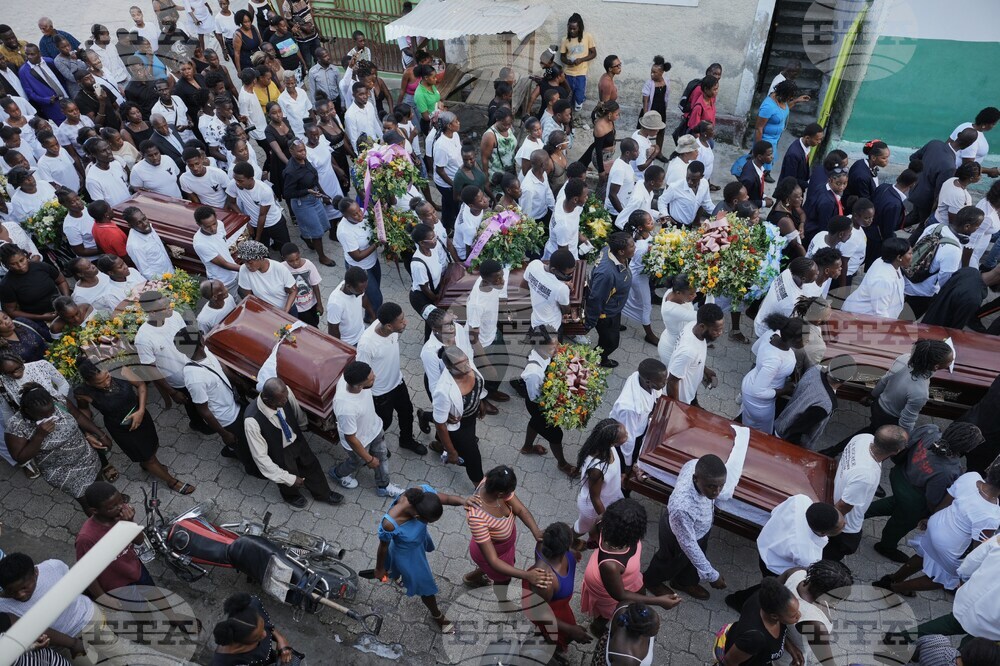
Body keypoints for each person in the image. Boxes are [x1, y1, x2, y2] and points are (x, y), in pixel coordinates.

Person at [867, 421, 984, 564]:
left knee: (895, 504)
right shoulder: (950, 470)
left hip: (899, 476)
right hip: (913, 498)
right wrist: (931, 516)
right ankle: (886, 546)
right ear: (968, 449)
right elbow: (932, 498)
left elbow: (907, 444)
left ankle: (860, 511)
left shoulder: (930, 430)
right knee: (900, 523)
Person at [876, 465, 1000, 595]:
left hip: (937, 524)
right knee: (948, 580)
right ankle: (897, 588)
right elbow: (977, 550)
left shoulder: (971, 477)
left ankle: (893, 578)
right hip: (948, 546)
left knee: (925, 553)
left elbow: (947, 500)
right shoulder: (993, 515)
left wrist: (931, 519)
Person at [76, 358, 192, 493]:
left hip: (141, 417)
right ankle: (172, 482)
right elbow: (83, 411)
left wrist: (141, 410)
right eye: (100, 383)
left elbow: (141, 385)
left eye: (107, 377)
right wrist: (88, 432)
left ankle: (147, 464)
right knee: (147, 457)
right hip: (122, 429)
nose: (107, 383)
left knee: (152, 445)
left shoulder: (120, 370)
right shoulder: (83, 392)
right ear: (89, 382)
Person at [374, 484, 471, 635]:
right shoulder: (390, 523)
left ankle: (399, 576)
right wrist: (379, 568)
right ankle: (437, 615)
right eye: (429, 521)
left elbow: (447, 498)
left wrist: (463, 501)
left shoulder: (423, 494)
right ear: (418, 517)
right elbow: (383, 548)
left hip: (416, 542)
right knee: (426, 587)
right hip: (406, 554)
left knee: (398, 571)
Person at [0, 552, 125, 663]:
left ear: (36, 572)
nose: (20, 594)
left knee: (115, 650)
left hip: (87, 620)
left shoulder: (53, 567)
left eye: (24, 588)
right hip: (62, 645)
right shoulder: (3, 608)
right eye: (11, 591)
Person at [582, 498, 681, 636]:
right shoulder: (610, 565)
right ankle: (597, 629)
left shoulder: (606, 522)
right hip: (607, 585)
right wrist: (659, 601)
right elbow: (620, 594)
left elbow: (592, 535)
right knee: (606, 614)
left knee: (638, 597)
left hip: (628, 576)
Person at [244, 377, 343, 508]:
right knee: (287, 477)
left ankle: (323, 493)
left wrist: (303, 426)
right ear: (268, 400)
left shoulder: (285, 392)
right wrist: (289, 479)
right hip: (278, 451)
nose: (286, 401)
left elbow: (296, 412)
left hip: (296, 439)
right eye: (282, 400)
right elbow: (261, 458)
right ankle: (291, 495)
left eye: (286, 396)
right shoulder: (252, 421)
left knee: (311, 464)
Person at [824, 425, 909, 561]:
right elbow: (843, 506)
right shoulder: (866, 476)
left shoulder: (863, 438)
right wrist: (828, 530)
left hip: (839, 493)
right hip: (846, 525)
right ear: (896, 451)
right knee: (841, 549)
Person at [357, 302, 427, 456]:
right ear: (389, 326)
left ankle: (406, 440)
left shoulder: (390, 329)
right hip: (380, 393)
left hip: (397, 382)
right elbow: (363, 374)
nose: (406, 322)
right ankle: (377, 446)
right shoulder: (367, 345)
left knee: (407, 412)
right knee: (383, 422)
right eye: (401, 321)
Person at [330, 361, 405, 498]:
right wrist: (369, 459)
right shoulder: (346, 408)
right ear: (359, 386)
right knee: (356, 462)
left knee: (381, 457)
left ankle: (384, 486)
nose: (375, 377)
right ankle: (338, 473)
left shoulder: (349, 378)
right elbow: (351, 438)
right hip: (360, 442)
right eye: (371, 379)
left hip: (375, 429)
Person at [522, 522, 591, 655]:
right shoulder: (545, 580)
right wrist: (570, 629)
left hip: (557, 602)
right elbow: (540, 613)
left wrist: (572, 553)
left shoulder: (548, 545)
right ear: (565, 548)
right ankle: (553, 649)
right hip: (551, 610)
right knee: (556, 635)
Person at [905, 205, 984, 318]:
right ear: (967, 226)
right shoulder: (954, 250)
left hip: (907, 278)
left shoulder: (935, 227)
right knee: (904, 321)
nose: (977, 229)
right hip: (923, 292)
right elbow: (945, 280)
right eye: (977, 227)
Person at [519, 325, 575, 473]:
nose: (556, 350)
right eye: (552, 348)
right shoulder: (533, 373)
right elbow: (535, 398)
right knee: (556, 435)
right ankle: (562, 463)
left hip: (539, 401)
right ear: (539, 348)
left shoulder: (545, 354)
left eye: (557, 345)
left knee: (535, 422)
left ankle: (527, 447)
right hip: (538, 404)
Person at [717, 577, 803, 666]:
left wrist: (790, 647)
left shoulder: (765, 599)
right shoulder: (755, 638)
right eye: (793, 616)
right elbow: (729, 662)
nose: (799, 615)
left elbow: (778, 635)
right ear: (774, 616)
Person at [432, 346, 487, 484]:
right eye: (460, 365)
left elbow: (477, 385)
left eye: (466, 361)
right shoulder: (443, 390)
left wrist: (479, 401)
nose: (467, 366)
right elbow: (440, 424)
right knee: (473, 456)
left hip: (471, 415)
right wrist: (451, 452)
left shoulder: (468, 365)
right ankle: (480, 487)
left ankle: (434, 435)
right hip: (459, 425)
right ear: (449, 368)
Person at [741, 314, 803, 434]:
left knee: (748, 422)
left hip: (752, 381)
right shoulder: (774, 361)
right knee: (763, 434)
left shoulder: (772, 334)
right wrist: (785, 390)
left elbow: (755, 348)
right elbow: (758, 391)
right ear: (795, 340)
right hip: (759, 402)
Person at [906, 128, 978, 229]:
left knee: (914, 217)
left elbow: (913, 158)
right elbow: (939, 193)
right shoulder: (950, 166)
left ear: (958, 134)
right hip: (926, 200)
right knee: (924, 226)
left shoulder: (934, 143)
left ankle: (886, 229)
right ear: (969, 144)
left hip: (914, 190)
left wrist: (918, 178)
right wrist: (932, 214)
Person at [586, 233, 634, 368]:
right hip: (606, 313)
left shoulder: (608, 249)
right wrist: (590, 322)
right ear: (621, 251)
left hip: (615, 306)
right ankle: (596, 358)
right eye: (632, 245)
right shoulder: (606, 274)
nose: (635, 247)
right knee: (611, 342)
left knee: (612, 330)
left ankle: (615, 327)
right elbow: (596, 299)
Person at [573, 418, 626, 541]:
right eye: (624, 436)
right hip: (593, 508)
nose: (627, 435)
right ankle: (568, 543)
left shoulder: (608, 448)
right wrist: (606, 520)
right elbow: (595, 498)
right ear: (614, 441)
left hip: (610, 498)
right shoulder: (597, 469)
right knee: (581, 529)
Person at [609, 358, 666, 469]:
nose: (665, 383)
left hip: (638, 427)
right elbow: (627, 439)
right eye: (662, 381)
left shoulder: (641, 378)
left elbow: (657, 394)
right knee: (621, 464)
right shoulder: (630, 407)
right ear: (649, 382)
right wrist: (628, 464)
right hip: (622, 439)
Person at [211, 592, 298, 665]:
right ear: (240, 642)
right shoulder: (223, 663)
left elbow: (267, 628)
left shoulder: (252, 605)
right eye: (258, 637)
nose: (265, 634)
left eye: (263, 626)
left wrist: (281, 639)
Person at [667, 304, 724, 407]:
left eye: (720, 329)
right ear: (702, 326)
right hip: (682, 400)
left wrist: (705, 370)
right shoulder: (688, 352)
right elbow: (672, 381)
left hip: (691, 392)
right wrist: (677, 407)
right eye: (716, 330)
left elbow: (695, 359)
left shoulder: (692, 325)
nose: (720, 333)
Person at [227, 161, 292, 248]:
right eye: (235, 179)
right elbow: (231, 203)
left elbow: (262, 215)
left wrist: (257, 238)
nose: (237, 183)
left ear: (250, 178)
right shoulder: (233, 184)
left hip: (274, 223)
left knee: (285, 248)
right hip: (254, 224)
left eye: (240, 181)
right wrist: (246, 223)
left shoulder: (264, 190)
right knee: (262, 253)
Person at [335, 197, 382, 314]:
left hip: (373, 261)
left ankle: (369, 315)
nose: (360, 214)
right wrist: (377, 244)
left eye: (359, 211)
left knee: (374, 291)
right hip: (360, 268)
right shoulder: (344, 231)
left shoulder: (362, 212)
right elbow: (357, 256)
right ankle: (373, 319)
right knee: (376, 299)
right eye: (355, 214)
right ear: (345, 216)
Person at [754, 80, 808, 181]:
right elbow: (759, 128)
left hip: (775, 139)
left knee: (771, 158)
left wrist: (796, 101)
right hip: (766, 139)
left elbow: (785, 109)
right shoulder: (768, 106)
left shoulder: (782, 101)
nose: (790, 99)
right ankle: (760, 177)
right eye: (789, 97)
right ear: (783, 94)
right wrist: (758, 148)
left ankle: (763, 174)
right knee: (764, 160)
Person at [0, 244, 68, 324]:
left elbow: (61, 281)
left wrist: (67, 300)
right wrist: (41, 317)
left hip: (63, 308)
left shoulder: (41, 266)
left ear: (26, 256)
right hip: (40, 322)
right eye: (13, 264)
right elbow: (11, 311)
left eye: (22, 260)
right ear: (6, 265)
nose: (20, 266)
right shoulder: (7, 285)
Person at [752, 257, 816, 337]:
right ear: (803, 278)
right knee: (760, 347)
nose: (818, 273)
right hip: (766, 332)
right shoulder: (793, 302)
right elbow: (788, 325)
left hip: (761, 318)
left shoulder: (787, 273)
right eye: (815, 274)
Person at [598, 602, 659, 666]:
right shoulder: (627, 659)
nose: (659, 627)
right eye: (657, 627)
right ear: (642, 631)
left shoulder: (624, 608)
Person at [326, 267, 373, 346]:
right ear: (348, 286)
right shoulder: (335, 303)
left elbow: (364, 297)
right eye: (360, 290)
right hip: (350, 343)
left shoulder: (357, 287)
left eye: (365, 288)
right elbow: (333, 330)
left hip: (362, 332)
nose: (363, 292)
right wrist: (341, 349)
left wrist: (373, 315)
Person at [658, 159, 713, 227]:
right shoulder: (675, 187)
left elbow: (707, 203)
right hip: (673, 224)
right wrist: (665, 215)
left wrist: (718, 213)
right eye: (688, 178)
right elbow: (662, 201)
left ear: (701, 177)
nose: (690, 182)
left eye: (693, 180)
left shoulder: (705, 184)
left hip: (688, 225)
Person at [559, 13, 595, 110]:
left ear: (580, 27)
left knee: (579, 99)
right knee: (567, 98)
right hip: (568, 73)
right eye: (570, 28)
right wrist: (568, 62)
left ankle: (577, 113)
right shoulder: (565, 40)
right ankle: (567, 118)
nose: (572, 31)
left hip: (581, 73)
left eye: (574, 28)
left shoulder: (587, 37)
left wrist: (582, 60)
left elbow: (593, 53)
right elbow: (562, 57)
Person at [83, 138, 132, 206]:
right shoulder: (92, 179)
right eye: (103, 151)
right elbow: (101, 204)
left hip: (130, 204)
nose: (109, 152)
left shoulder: (116, 163)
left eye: (108, 148)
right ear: (94, 155)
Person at [778, 123, 824, 190]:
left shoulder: (805, 146)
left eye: (821, 139)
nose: (819, 142)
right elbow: (790, 179)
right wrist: (808, 183)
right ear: (807, 138)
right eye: (817, 139)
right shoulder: (794, 154)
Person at [519, 148, 556, 225]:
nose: (550, 161)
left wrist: (555, 210)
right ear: (542, 165)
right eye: (548, 160)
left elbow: (548, 192)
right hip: (535, 221)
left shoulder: (543, 173)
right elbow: (526, 212)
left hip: (545, 213)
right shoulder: (528, 188)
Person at [739, 140, 775, 209]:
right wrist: (764, 203)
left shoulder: (758, 166)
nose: (772, 157)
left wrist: (764, 196)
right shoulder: (749, 178)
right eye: (769, 154)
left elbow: (756, 190)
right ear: (759, 157)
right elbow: (743, 201)